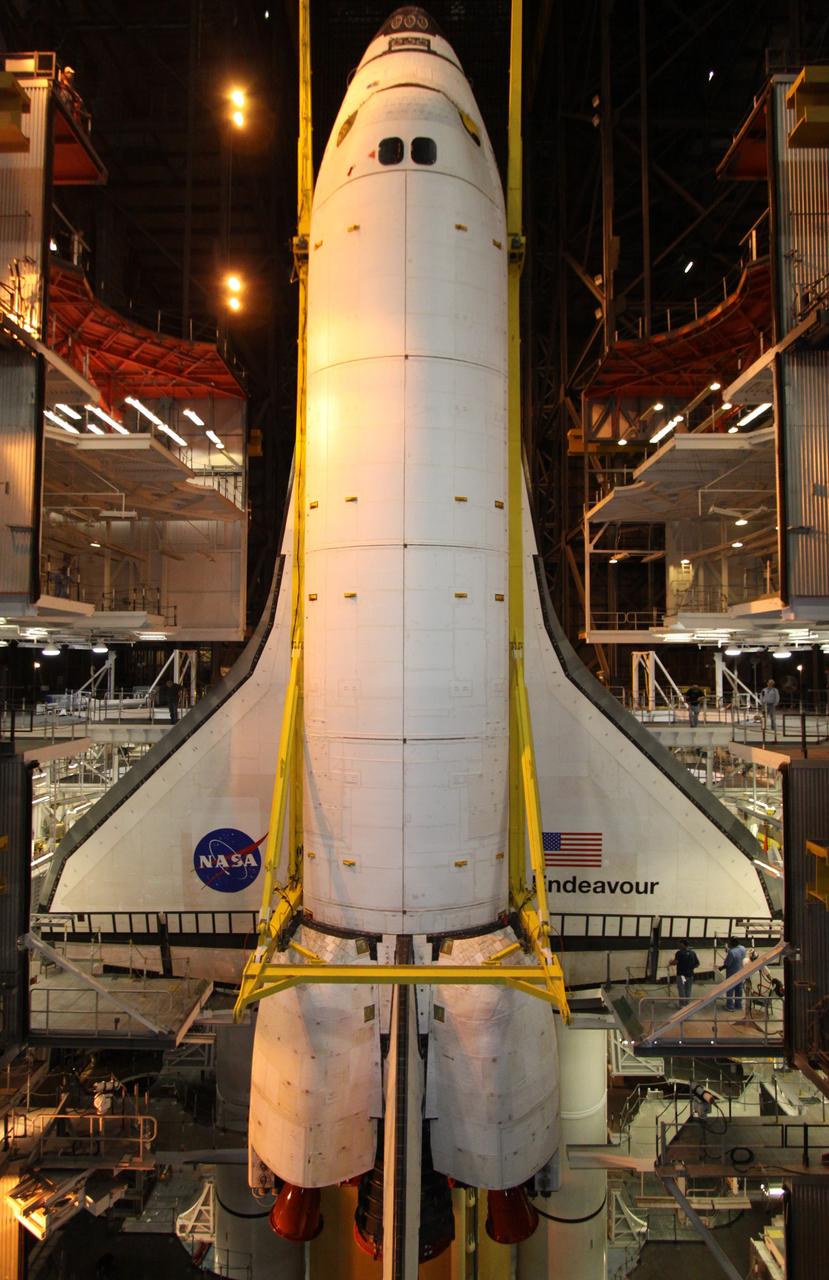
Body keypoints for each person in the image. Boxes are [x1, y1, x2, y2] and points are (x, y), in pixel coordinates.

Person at [719, 937, 747, 1012]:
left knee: (730, 989)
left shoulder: (731, 952)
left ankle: (730, 1006)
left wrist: (720, 968)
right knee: (739, 989)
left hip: (732, 973)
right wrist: (728, 951)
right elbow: (737, 955)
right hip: (741, 972)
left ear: (732, 943)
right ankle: (738, 1005)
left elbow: (727, 964)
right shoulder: (743, 948)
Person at [668, 939, 700, 1006]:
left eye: (680, 944)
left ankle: (682, 1004)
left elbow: (675, 962)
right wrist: (690, 967)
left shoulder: (679, 953)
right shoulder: (693, 953)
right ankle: (687, 1004)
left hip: (682, 975)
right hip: (690, 975)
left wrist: (670, 962)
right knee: (688, 989)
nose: (678, 945)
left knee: (682, 989)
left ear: (683, 945)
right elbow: (697, 964)